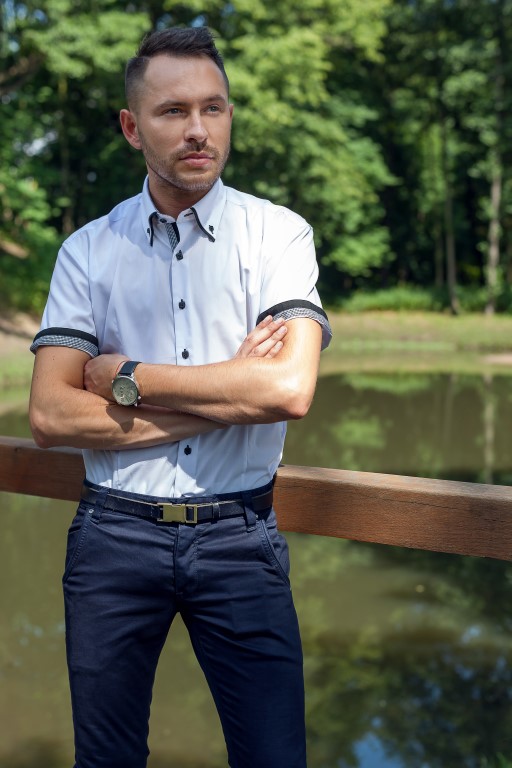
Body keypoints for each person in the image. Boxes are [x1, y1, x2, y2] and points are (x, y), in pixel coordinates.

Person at [29, 26, 331, 768]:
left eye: (213, 108)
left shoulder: (279, 235)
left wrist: (128, 376)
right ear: (133, 128)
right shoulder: (88, 250)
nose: (199, 129)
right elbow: (50, 414)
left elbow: (288, 389)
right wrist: (230, 391)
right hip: (113, 536)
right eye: (173, 111)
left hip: (241, 538)